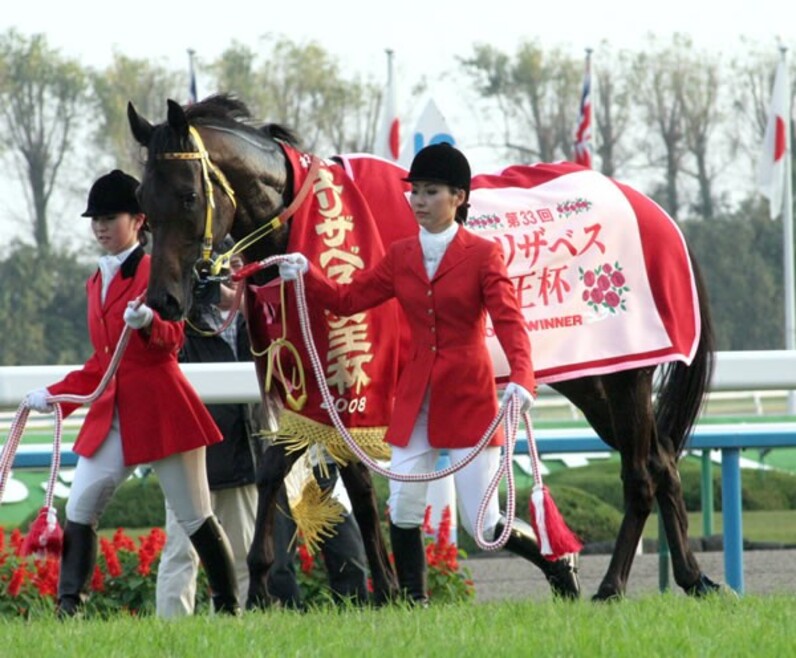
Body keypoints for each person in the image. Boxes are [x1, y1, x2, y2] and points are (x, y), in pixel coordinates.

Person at [279, 143, 580, 603]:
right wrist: (307, 274)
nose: (418, 200)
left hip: (468, 397)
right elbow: (347, 301)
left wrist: (522, 376)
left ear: (458, 197)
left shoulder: (483, 255)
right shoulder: (401, 255)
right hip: (416, 394)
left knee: (483, 526)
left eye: (430, 191)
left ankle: (556, 563)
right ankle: (414, 605)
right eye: (414, 192)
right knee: (402, 507)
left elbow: (509, 321)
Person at [23, 169, 240, 617]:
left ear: (139, 221)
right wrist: (54, 393)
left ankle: (228, 605)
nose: (100, 226)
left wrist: (148, 326)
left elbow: (173, 338)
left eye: (110, 217)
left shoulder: (155, 270)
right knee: (80, 505)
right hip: (113, 416)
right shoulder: (95, 281)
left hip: (163, 411)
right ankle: (70, 611)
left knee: (195, 516)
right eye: (95, 218)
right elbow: (101, 364)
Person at [155, 254, 259, 617]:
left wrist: (236, 301)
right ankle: (172, 631)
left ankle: (234, 629)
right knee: (181, 552)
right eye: (218, 268)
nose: (226, 275)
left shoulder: (252, 316)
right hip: (189, 448)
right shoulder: (178, 316)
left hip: (240, 448)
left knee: (241, 550)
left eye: (234, 267)